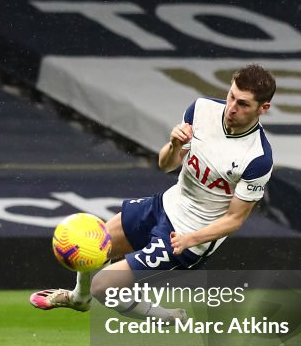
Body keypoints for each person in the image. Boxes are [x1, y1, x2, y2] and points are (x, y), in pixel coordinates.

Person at [30, 64, 276, 319]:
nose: (232, 108)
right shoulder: (202, 109)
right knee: (97, 239)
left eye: (243, 104)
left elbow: (234, 219)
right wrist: (174, 144)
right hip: (165, 204)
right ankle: (79, 299)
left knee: (102, 287)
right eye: (231, 96)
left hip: (188, 236)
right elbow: (166, 164)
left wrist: (191, 239)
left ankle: (166, 317)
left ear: (263, 108)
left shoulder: (257, 157)